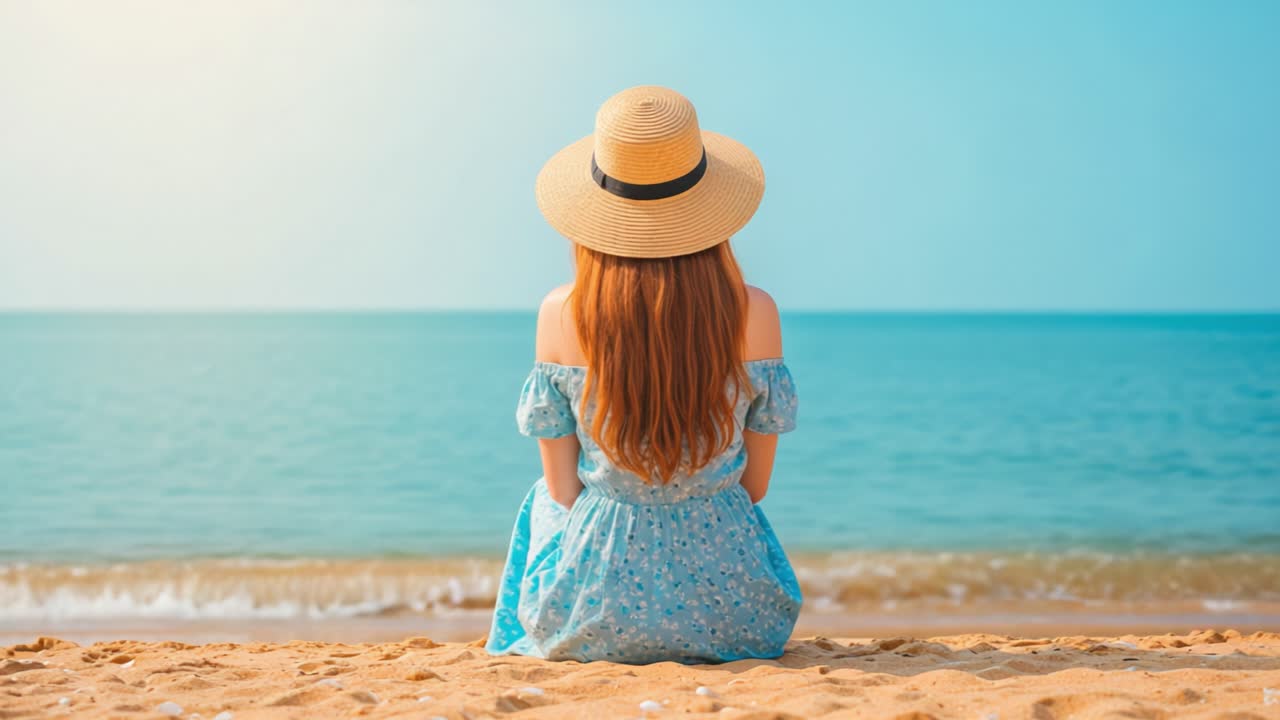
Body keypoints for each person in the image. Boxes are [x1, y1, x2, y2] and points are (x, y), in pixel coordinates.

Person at [486, 86, 801, 664]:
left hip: (592, 618)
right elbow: (753, 488)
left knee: (541, 499)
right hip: (737, 620)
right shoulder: (755, 312)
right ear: (711, 209)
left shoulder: (561, 312)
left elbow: (563, 491)